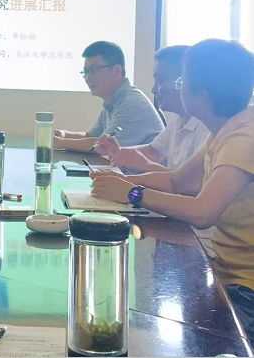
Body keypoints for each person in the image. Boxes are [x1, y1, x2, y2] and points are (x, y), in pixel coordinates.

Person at [91, 39, 254, 340]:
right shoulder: (225, 127)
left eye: (182, 82)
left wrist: (132, 194)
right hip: (223, 270)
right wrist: (119, 182)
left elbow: (203, 212)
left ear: (202, 95)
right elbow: (177, 181)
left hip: (245, 290)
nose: (178, 88)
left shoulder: (244, 137)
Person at [94, 45, 210, 172]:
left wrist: (144, 165)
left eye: (160, 81)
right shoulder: (178, 120)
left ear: (183, 80)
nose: (154, 90)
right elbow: (154, 151)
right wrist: (117, 152)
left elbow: (185, 182)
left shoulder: (206, 128)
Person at [54, 41, 164, 152]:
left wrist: (60, 142)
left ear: (116, 70)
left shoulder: (132, 103)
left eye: (94, 70)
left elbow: (102, 147)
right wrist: (65, 134)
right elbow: (90, 136)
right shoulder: (113, 101)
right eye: (86, 72)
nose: (88, 78)